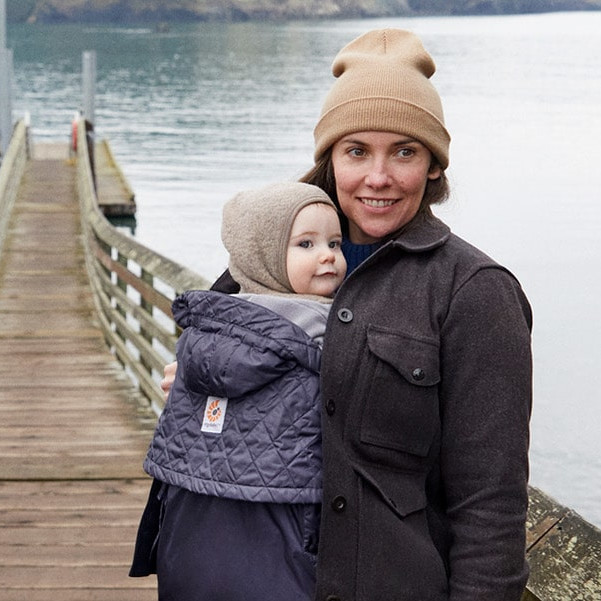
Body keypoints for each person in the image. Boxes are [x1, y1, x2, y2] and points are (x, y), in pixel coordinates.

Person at [161, 28, 533, 601]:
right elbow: (204, 359)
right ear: (331, 159)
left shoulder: (475, 293)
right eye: (357, 150)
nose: (377, 178)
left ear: (434, 166)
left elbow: (490, 505)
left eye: (404, 152)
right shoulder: (271, 256)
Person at [131, 182, 347, 600]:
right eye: (306, 243)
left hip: (190, 553)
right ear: (261, 256)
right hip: (286, 558)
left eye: (335, 243)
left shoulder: (208, 331)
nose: (329, 256)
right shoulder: (324, 332)